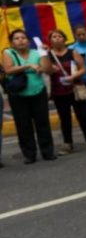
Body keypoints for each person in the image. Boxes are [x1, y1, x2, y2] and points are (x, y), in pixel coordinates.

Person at [2, 29, 55, 163]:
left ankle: (47, 152)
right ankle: (29, 154)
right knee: (23, 125)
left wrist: (44, 53)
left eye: (23, 38)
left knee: (43, 123)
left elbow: (48, 70)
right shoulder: (8, 53)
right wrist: (28, 66)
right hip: (18, 95)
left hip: (38, 92)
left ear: (28, 41)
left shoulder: (36, 52)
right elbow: (8, 69)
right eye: (17, 38)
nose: (20, 40)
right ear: (12, 42)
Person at [45, 29, 86, 154]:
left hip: (74, 88)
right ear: (50, 40)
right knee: (64, 118)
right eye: (53, 36)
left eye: (59, 36)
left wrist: (73, 77)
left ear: (64, 39)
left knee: (82, 116)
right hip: (58, 91)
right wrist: (51, 67)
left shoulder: (73, 52)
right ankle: (67, 143)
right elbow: (46, 71)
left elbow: (83, 69)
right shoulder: (48, 55)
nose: (56, 38)